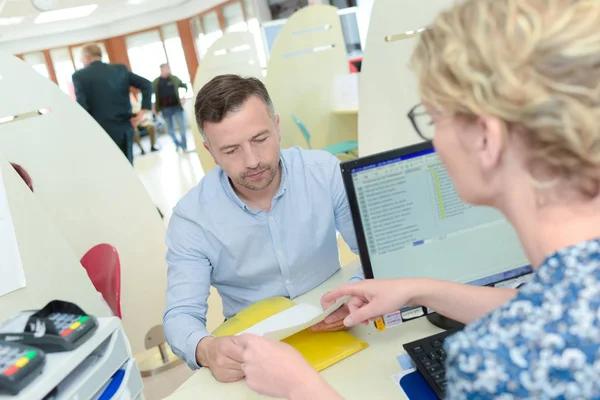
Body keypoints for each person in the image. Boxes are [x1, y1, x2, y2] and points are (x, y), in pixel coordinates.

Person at [236, 0, 600, 398]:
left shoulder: (496, 361)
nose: (434, 142)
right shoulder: (576, 286)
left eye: (433, 119)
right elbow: (543, 311)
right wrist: (419, 289)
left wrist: (300, 386)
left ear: (486, 138)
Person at [163, 74, 363, 381]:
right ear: (210, 151)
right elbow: (180, 316)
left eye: (260, 139)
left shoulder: (323, 172)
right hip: (256, 353)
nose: (253, 161)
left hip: (341, 326)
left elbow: (371, 254)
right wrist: (206, 348)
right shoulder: (192, 219)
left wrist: (359, 293)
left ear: (277, 126)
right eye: (231, 151)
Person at [72, 44, 152, 164]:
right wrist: (144, 110)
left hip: (101, 132)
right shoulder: (120, 69)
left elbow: (82, 106)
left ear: (86, 57)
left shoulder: (79, 76)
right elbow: (147, 84)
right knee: (128, 164)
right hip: (125, 127)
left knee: (109, 167)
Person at [153, 64, 189, 152]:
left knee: (182, 127)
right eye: (164, 69)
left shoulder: (174, 79)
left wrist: (184, 97)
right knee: (170, 130)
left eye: (167, 68)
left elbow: (185, 86)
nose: (166, 70)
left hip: (177, 107)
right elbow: (154, 96)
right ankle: (177, 144)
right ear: (161, 69)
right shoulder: (156, 82)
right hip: (165, 109)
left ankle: (184, 147)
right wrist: (155, 109)